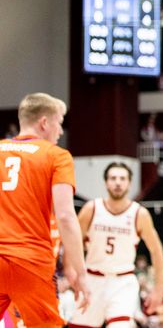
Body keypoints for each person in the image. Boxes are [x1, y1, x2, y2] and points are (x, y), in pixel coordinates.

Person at [0, 92, 90, 326]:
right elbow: (66, 217)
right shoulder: (56, 156)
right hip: (31, 261)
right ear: (44, 123)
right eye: (59, 123)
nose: (60, 131)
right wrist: (80, 273)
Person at [68, 161, 163, 328]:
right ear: (106, 182)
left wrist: (158, 288)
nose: (118, 182)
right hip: (92, 279)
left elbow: (156, 251)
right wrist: (70, 270)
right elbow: (71, 242)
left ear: (129, 183)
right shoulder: (91, 209)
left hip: (123, 282)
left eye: (122, 178)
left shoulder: (139, 214)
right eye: (113, 178)